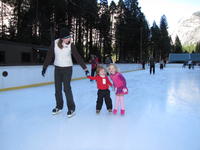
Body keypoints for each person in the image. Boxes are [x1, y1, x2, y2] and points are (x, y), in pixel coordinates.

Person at [41, 27, 89, 118]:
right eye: (67, 37)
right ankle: (59, 106)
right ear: (62, 38)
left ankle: (71, 108)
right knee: (57, 89)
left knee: (67, 88)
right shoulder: (54, 43)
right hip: (57, 69)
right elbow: (49, 56)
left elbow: (77, 57)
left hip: (67, 69)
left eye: (70, 37)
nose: (69, 39)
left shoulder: (71, 45)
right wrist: (44, 67)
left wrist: (85, 69)